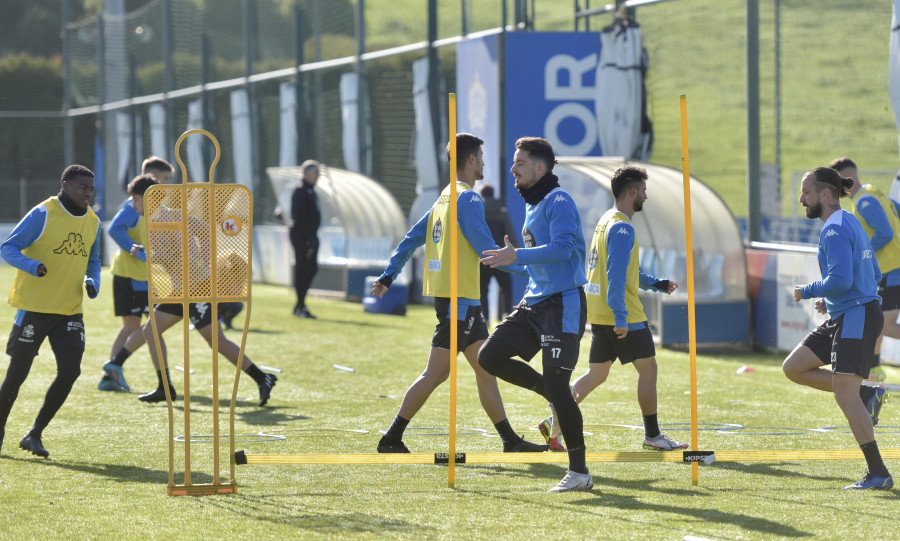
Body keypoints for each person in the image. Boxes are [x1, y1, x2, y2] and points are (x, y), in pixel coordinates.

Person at [373, 133, 546, 454]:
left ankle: (510, 440)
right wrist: (533, 270)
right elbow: (488, 251)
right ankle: (392, 437)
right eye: (480, 157)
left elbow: (411, 239)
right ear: (469, 160)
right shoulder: (466, 199)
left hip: (462, 301)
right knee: (437, 372)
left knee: (485, 370)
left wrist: (388, 274)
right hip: (459, 302)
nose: (483, 163)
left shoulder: (444, 198)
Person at [537, 166, 686, 453]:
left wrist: (656, 283)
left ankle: (552, 422)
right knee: (649, 370)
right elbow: (616, 276)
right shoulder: (621, 227)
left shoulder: (607, 220)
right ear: (632, 192)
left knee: (596, 375)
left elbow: (623, 271)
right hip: (623, 313)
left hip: (599, 311)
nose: (645, 195)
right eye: (643, 189)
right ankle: (653, 436)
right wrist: (621, 317)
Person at [479, 137, 591, 493]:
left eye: (520, 163)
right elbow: (534, 267)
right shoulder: (533, 203)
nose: (512, 169)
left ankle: (580, 473)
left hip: (562, 304)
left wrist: (517, 257)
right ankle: (553, 394)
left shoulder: (559, 200)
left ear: (540, 168)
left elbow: (560, 250)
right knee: (489, 356)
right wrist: (504, 261)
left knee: (560, 385)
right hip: (534, 303)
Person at [782, 167, 892, 490]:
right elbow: (872, 272)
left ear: (826, 195)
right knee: (793, 367)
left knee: (844, 395)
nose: (802, 198)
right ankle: (866, 394)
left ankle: (878, 472)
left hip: (855, 316)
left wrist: (811, 290)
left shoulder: (832, 230)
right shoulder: (851, 222)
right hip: (848, 313)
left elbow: (842, 279)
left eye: (806, 192)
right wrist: (832, 299)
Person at [0, 165, 101, 457]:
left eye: (91, 188)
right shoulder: (43, 213)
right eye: (82, 187)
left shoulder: (93, 221)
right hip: (33, 309)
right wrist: (34, 266)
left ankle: (34, 434)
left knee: (70, 371)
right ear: (65, 185)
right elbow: (8, 248)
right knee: (17, 375)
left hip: (70, 310)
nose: (88, 193)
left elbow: (93, 259)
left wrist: (91, 280)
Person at [136, 199, 277, 407]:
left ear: (143, 198)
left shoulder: (168, 217)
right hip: (181, 289)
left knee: (216, 341)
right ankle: (165, 387)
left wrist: (204, 259)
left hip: (197, 286)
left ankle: (262, 377)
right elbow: (177, 251)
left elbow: (191, 241)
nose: (133, 206)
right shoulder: (158, 220)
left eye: (134, 201)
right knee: (150, 331)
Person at [99, 157, 175, 392]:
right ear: (149, 177)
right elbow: (114, 229)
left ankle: (114, 372)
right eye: (162, 179)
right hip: (130, 276)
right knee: (148, 329)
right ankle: (160, 382)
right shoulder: (134, 205)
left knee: (141, 328)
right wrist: (137, 253)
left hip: (143, 277)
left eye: (167, 179)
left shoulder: (155, 205)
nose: (165, 183)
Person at [830, 157, 900, 382]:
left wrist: (861, 254)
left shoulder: (862, 202)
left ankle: (875, 370)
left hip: (892, 269)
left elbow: (886, 234)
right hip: (893, 268)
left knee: (883, 324)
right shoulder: (874, 192)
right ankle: (875, 370)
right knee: (877, 323)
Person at [476, 182, 518, 320]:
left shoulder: (478, 212)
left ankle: (485, 318)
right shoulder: (502, 212)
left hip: (483, 259)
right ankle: (507, 314)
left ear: (482, 195)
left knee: (482, 290)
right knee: (506, 287)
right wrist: (517, 254)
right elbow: (510, 234)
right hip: (501, 257)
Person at [290, 160, 321, 319]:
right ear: (307, 174)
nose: (318, 176)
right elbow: (299, 218)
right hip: (303, 237)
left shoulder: (311, 191)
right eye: (316, 173)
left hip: (311, 237)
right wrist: (308, 239)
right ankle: (300, 306)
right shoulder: (300, 191)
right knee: (302, 270)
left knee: (311, 269)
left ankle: (300, 304)